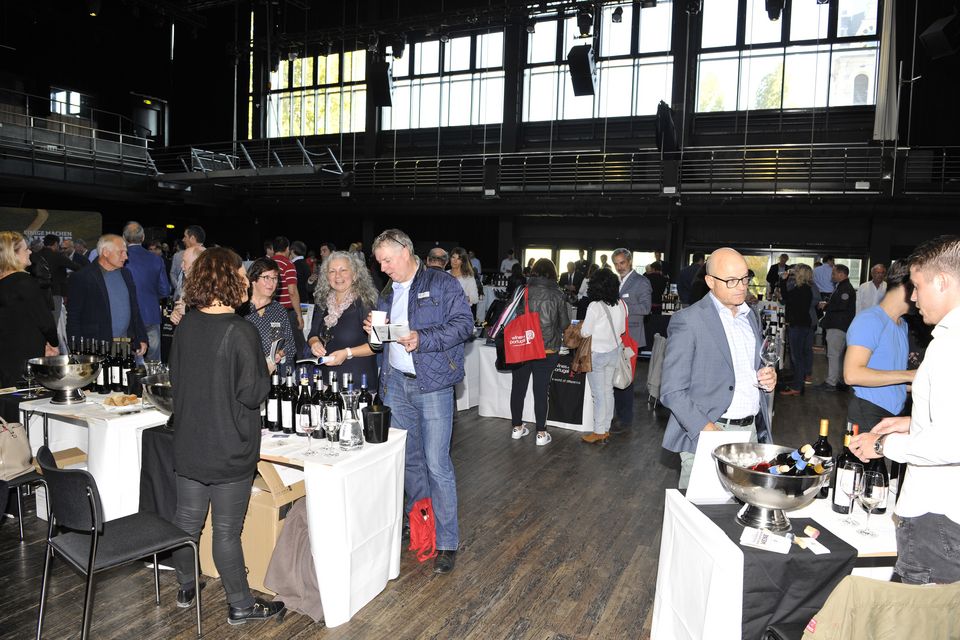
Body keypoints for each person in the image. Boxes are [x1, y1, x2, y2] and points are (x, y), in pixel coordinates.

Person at [168, 247, 285, 624]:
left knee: (187, 523)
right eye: (241, 273)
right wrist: (266, 371)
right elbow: (252, 394)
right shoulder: (241, 330)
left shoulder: (186, 325)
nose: (246, 279)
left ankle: (186, 585)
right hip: (229, 447)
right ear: (228, 279)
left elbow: (176, 379)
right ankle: (241, 604)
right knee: (226, 532)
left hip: (189, 442)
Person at [850, 235, 960, 585]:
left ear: (942, 282)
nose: (913, 297)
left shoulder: (950, 346)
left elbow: (950, 442)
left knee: (918, 613)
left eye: (918, 286)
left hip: (938, 515)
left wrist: (883, 445)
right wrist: (913, 422)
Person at [366, 228, 474, 575]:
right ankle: (420, 523)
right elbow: (381, 344)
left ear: (405, 251)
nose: (383, 268)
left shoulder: (441, 283)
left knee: (437, 464)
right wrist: (375, 333)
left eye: (387, 260)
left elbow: (464, 325)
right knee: (410, 462)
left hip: (434, 386)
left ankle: (447, 542)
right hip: (396, 385)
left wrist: (422, 338)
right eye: (380, 262)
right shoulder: (387, 291)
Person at [660, 248, 776, 489]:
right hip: (709, 431)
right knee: (700, 511)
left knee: (744, 506)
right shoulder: (689, 320)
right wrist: (707, 429)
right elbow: (672, 391)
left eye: (745, 278)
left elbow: (746, 369)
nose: (741, 287)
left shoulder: (751, 316)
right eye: (731, 280)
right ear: (710, 281)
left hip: (751, 432)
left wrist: (767, 377)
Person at [842, 261, 915, 430]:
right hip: (869, 410)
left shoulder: (902, 324)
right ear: (907, 286)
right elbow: (852, 375)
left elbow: (890, 377)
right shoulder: (870, 320)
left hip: (894, 411)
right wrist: (910, 375)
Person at [509, 259, 569, 447]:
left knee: (518, 388)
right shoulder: (558, 294)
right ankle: (541, 433)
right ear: (553, 273)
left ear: (533, 272)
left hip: (523, 346)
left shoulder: (522, 290)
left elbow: (512, 316)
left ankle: (517, 428)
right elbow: (564, 324)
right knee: (541, 390)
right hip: (547, 348)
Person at [307, 250, 380, 390]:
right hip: (326, 382)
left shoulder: (366, 304)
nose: (337, 276)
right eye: (332, 271)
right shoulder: (323, 302)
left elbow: (377, 346)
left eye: (343, 270)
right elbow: (312, 334)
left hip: (357, 385)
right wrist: (314, 343)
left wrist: (347, 352)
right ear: (326, 276)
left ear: (355, 274)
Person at [66, 234, 148, 356]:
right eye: (121, 252)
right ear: (105, 252)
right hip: (95, 347)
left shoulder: (126, 274)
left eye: (125, 252)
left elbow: (134, 309)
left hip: (124, 344)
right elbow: (73, 316)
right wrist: (76, 348)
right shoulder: (83, 277)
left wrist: (141, 337)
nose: (126, 257)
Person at [0, 231, 59, 387]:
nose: (30, 252)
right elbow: (44, 320)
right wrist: (53, 343)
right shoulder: (25, 282)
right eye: (26, 249)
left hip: (6, 358)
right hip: (26, 356)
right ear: (13, 254)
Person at [579, 269, 627, 445]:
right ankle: (605, 428)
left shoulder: (595, 306)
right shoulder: (621, 304)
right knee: (608, 391)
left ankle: (599, 432)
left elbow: (585, 332)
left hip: (597, 354)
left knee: (598, 394)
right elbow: (622, 329)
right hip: (614, 351)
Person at [612, 249, 652, 432]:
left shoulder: (641, 281)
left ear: (629, 261)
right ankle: (615, 415)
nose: (619, 267)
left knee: (626, 379)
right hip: (615, 336)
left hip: (632, 338)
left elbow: (646, 308)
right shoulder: (616, 281)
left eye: (622, 263)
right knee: (615, 377)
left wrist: (622, 304)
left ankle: (625, 419)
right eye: (616, 264)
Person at [123, 222, 171, 362]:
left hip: (127, 316)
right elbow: (165, 290)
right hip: (150, 314)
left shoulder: (120, 259)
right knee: (153, 361)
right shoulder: (156, 260)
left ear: (124, 238)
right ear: (143, 237)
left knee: (127, 360)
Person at [242, 258, 295, 373]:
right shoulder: (241, 309)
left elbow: (290, 344)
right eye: (266, 277)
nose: (271, 283)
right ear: (253, 279)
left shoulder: (278, 310)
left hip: (274, 374)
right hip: (246, 373)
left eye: (274, 278)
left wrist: (280, 354)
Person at [816, 264, 857, 391]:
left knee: (833, 354)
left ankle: (831, 382)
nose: (832, 276)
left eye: (834, 273)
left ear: (841, 274)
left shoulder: (845, 288)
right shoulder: (842, 286)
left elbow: (842, 306)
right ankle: (839, 380)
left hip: (837, 325)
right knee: (838, 355)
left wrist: (826, 306)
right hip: (840, 325)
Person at [779, 264, 816, 396]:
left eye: (796, 271)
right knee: (797, 356)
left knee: (797, 357)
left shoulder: (802, 289)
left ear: (800, 274)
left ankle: (797, 386)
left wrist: (783, 281)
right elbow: (788, 299)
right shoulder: (804, 288)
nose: (793, 272)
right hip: (801, 324)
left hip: (799, 325)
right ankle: (798, 383)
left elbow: (786, 298)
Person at [270, 236, 306, 359]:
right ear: (287, 249)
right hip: (287, 313)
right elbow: (292, 291)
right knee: (298, 345)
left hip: (270, 311)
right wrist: (299, 315)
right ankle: (300, 369)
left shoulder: (266, 264)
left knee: (275, 346)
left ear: (273, 249)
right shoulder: (288, 264)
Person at [170, 245, 204, 326]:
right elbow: (180, 309)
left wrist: (187, 310)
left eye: (184, 262)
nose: (181, 266)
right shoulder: (187, 283)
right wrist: (175, 314)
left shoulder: (212, 289)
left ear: (197, 264)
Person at [169, 225, 205, 293]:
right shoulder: (178, 255)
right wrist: (179, 291)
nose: (183, 239)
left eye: (185, 236)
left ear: (192, 238)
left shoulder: (208, 258)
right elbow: (173, 274)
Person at [448, 247, 479, 318]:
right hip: (445, 314)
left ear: (462, 261)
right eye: (453, 257)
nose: (455, 261)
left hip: (462, 314)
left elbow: (475, 298)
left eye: (458, 258)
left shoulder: (468, 277)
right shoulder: (445, 275)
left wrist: (458, 298)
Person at [290, 240, 313, 307]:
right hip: (306, 300)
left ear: (292, 251)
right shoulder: (305, 263)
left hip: (297, 303)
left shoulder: (293, 265)